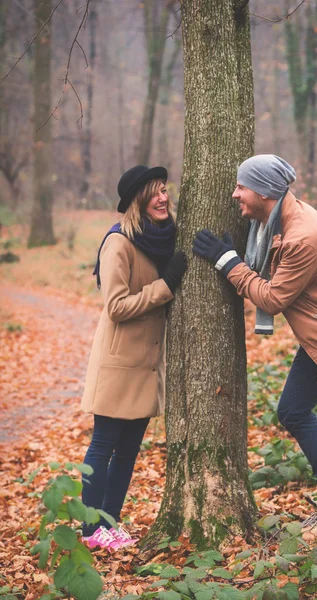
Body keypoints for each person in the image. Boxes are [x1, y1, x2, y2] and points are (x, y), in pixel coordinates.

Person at [193, 154, 317, 541]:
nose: (234, 194)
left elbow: (271, 299)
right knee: (293, 410)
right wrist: (239, 259)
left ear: (264, 191)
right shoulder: (278, 220)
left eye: (241, 186)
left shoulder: (303, 236)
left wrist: (228, 261)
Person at [80, 165, 187, 551]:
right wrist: (166, 285)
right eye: (154, 192)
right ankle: (90, 530)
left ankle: (110, 523)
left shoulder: (161, 239)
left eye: (165, 190)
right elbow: (117, 306)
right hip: (118, 363)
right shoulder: (119, 243)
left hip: (146, 364)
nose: (163, 197)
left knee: (128, 451)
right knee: (104, 445)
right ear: (137, 201)